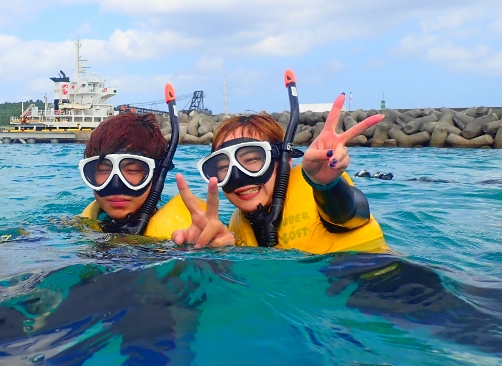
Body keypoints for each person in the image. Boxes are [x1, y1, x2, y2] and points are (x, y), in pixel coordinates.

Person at [172, 72, 387, 253]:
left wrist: (327, 186)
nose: (238, 176)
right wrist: (215, 250)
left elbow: (353, 213)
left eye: (253, 159)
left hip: (380, 280)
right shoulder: (239, 223)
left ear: (285, 161)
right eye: (223, 168)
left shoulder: (315, 190)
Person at [78, 110, 194, 238]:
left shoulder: (182, 237)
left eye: (133, 170)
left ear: (156, 174)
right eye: (103, 170)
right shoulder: (80, 226)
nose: (116, 185)